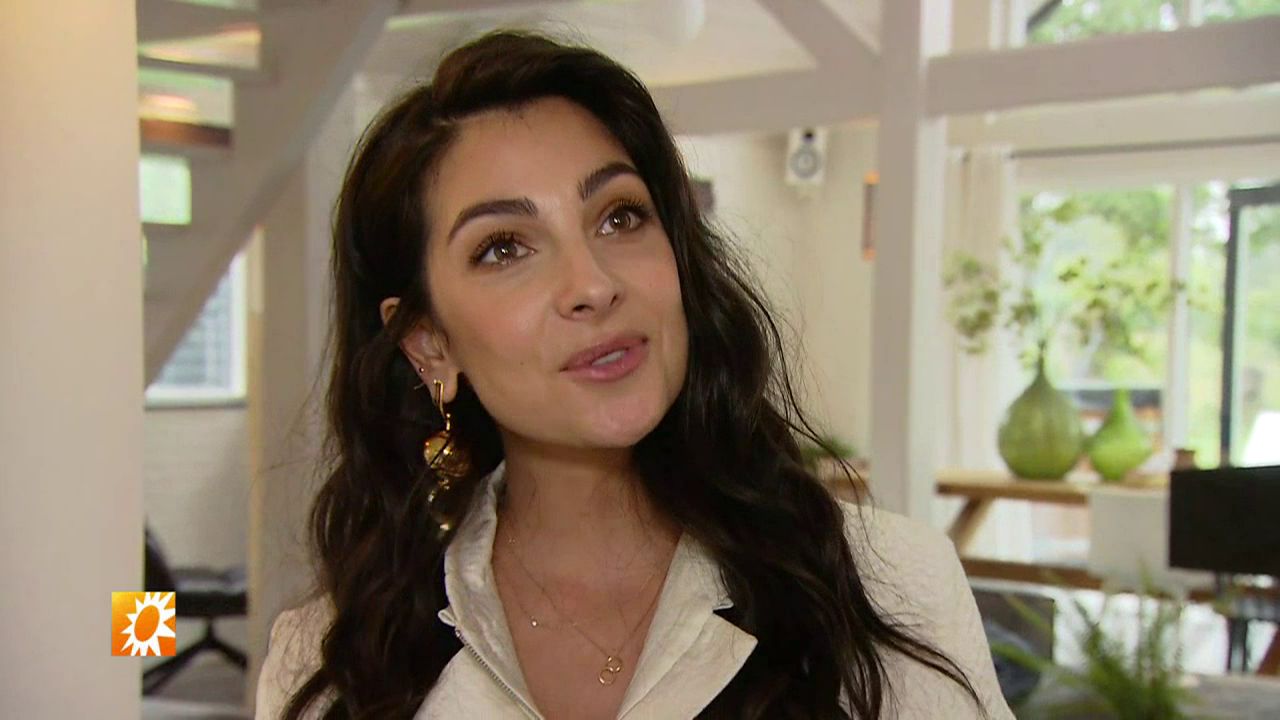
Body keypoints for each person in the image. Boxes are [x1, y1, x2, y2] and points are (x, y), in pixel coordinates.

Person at [255, 30, 1014, 720]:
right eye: (504, 248)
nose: (592, 283)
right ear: (428, 345)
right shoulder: (329, 664)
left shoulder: (889, 587)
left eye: (619, 216)